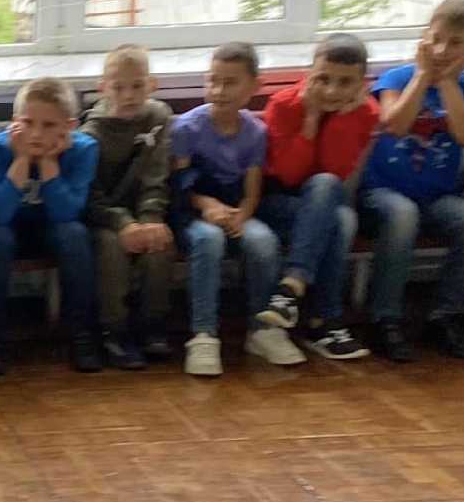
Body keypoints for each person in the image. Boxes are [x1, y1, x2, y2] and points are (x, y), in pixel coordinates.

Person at [362, 0, 464, 361]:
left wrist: (449, 83)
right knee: (403, 215)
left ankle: (445, 315)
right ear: (423, 37)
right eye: (435, 39)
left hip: (437, 195)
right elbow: (395, 124)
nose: (441, 50)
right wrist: (423, 76)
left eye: (455, 43)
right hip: (382, 192)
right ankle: (385, 319)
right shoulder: (397, 77)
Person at [171, 42, 294, 374]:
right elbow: (180, 182)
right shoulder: (187, 127)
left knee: (262, 241)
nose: (219, 90)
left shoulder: (256, 131)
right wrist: (207, 204)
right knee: (208, 241)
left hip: (235, 206)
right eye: (213, 80)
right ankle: (204, 335)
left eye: (230, 82)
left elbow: (252, 189)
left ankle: (262, 330)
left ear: (254, 86)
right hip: (192, 207)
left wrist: (242, 214)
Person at [253, 33, 373, 361]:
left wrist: (344, 119)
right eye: (323, 79)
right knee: (337, 215)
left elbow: (336, 170)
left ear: (362, 84)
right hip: (274, 200)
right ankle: (324, 321)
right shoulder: (283, 104)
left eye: (345, 82)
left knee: (335, 207)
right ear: (309, 74)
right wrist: (310, 119)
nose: (332, 91)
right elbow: (289, 174)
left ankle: (291, 290)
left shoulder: (365, 112)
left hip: (323, 199)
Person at [0, 77, 101, 374]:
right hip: (11, 225)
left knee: (75, 234)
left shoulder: (84, 149)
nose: (35, 133)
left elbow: (66, 213)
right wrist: (21, 159)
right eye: (28, 122)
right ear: (13, 122)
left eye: (48, 125)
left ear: (69, 127)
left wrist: (48, 162)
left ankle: (82, 337)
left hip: (53, 225)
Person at [81, 46, 174, 370]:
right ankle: (114, 331)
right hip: (105, 217)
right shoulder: (91, 133)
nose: (129, 95)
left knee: (160, 243)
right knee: (110, 248)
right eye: (119, 87)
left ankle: (152, 326)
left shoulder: (160, 118)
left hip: (143, 211)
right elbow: (90, 194)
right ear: (103, 87)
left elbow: (157, 175)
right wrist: (123, 224)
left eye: (137, 86)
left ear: (151, 85)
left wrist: (150, 218)